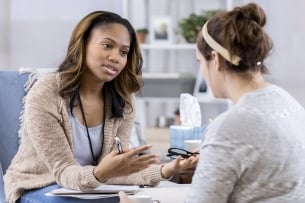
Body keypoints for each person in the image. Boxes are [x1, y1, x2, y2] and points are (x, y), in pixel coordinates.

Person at [3, 11, 198, 203]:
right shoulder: (47, 93)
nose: (116, 57)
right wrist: (101, 172)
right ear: (83, 44)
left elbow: (114, 172)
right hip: (38, 186)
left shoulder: (123, 98)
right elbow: (63, 170)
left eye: (123, 52)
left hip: (94, 187)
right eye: (107, 46)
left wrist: (166, 170)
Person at [120, 3, 305, 203]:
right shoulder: (289, 103)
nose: (202, 71)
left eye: (200, 62)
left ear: (215, 60)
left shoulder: (232, 123)